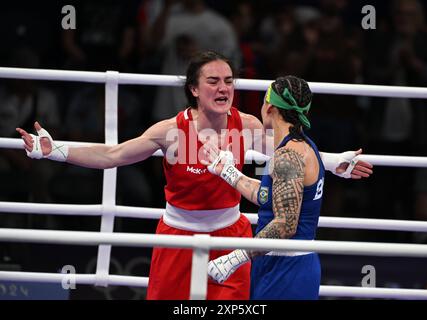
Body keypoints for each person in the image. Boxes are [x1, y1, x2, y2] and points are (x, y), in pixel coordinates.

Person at [16, 51, 372, 300]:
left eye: (229, 81)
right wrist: (56, 150)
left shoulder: (246, 125)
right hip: (177, 236)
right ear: (194, 89)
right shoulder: (170, 131)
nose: (223, 88)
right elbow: (113, 155)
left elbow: (291, 155)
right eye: (213, 81)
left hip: (231, 235)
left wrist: (334, 161)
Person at [204, 75, 356, 299]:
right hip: (278, 263)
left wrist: (233, 259)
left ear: (270, 107)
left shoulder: (288, 156)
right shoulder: (296, 149)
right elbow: (268, 197)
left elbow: (285, 224)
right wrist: (227, 172)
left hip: (288, 269)